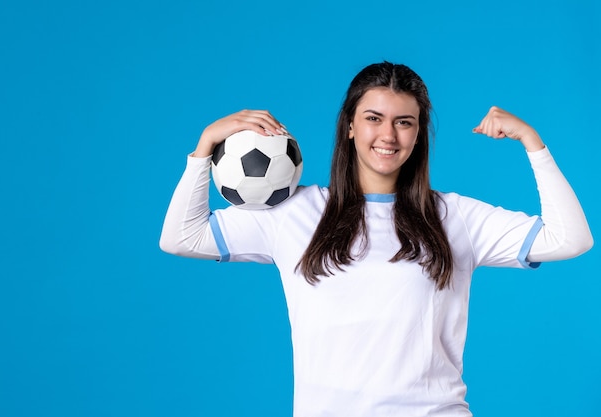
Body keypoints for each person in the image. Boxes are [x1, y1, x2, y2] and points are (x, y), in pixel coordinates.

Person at [159, 62, 593, 417]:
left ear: (418, 133)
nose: (388, 136)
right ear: (350, 126)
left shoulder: (454, 216)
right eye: (373, 119)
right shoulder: (293, 212)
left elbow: (570, 238)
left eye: (404, 122)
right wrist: (204, 148)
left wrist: (532, 143)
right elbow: (182, 236)